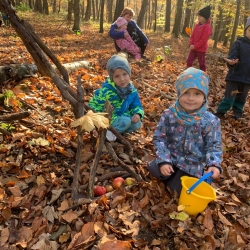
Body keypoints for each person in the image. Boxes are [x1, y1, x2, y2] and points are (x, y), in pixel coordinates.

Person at [147, 67, 222, 195]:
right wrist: (164, 160)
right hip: (172, 157)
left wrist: (213, 164)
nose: (191, 98)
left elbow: (214, 146)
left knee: (177, 189)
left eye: (197, 94)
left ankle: (183, 179)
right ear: (179, 93)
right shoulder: (169, 114)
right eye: (186, 93)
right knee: (153, 168)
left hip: (192, 165)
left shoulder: (210, 121)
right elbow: (160, 138)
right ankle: (168, 170)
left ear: (204, 96)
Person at [88, 54, 144, 138]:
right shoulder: (106, 92)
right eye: (117, 76)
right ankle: (106, 136)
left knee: (137, 123)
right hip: (108, 120)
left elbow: (136, 106)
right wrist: (95, 126)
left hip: (123, 118)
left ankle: (117, 133)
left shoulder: (132, 91)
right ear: (112, 78)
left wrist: (138, 114)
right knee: (126, 121)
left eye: (124, 74)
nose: (122, 79)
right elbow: (94, 107)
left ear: (129, 74)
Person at [214, 17, 250, 120]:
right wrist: (232, 62)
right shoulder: (238, 43)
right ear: (246, 30)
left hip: (247, 79)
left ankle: (237, 115)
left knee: (241, 99)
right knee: (230, 97)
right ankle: (220, 113)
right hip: (235, 76)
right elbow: (232, 57)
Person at [186, 5, 212, 72]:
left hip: (201, 49)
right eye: (198, 16)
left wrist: (195, 46)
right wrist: (191, 43)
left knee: (202, 64)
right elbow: (193, 35)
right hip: (193, 48)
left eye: (200, 16)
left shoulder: (207, 27)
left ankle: (203, 77)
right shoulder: (197, 25)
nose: (198, 17)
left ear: (205, 17)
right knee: (189, 61)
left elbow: (204, 39)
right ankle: (188, 74)